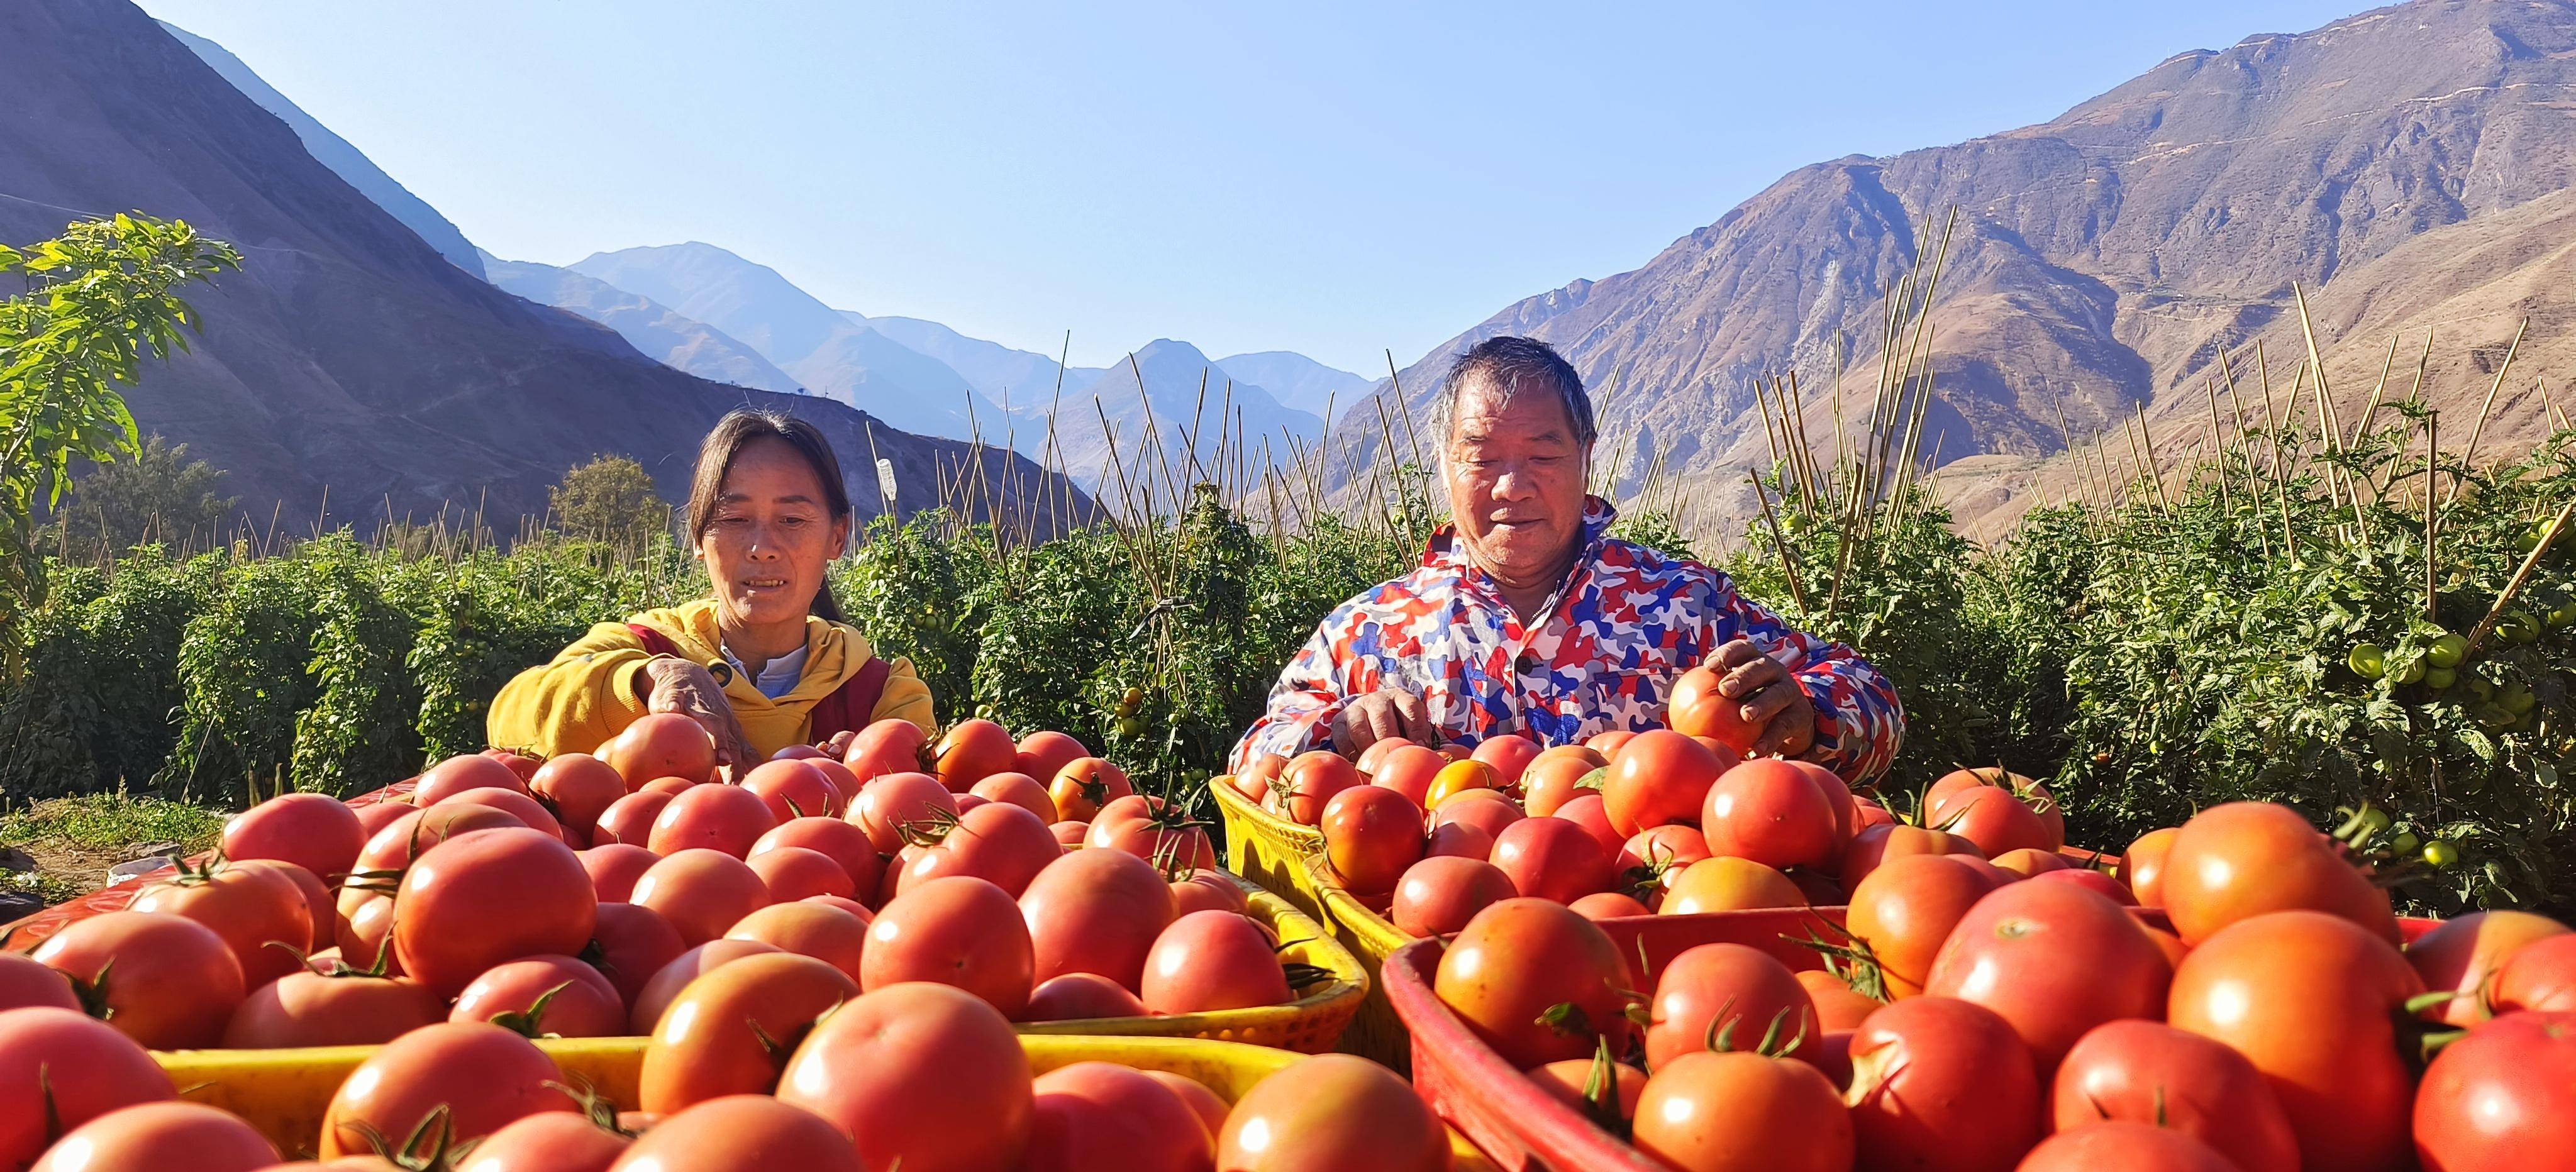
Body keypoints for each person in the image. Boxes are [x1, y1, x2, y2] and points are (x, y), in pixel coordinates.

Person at [1230, 336, 1902, 782]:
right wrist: (1333, 732)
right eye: (1482, 457)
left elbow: (1873, 699)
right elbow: (1252, 757)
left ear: (1586, 457)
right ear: (1443, 466)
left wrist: (1810, 713)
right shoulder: (1367, 632)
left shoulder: (1682, 607)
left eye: (1543, 456)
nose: (1511, 486)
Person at [489, 409, 932, 766]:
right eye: (734, 520)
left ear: (838, 538)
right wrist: (649, 679)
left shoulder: (881, 696)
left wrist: (874, 770)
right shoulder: (646, 647)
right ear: (699, 539)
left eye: (793, 521)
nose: (762, 548)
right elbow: (510, 716)